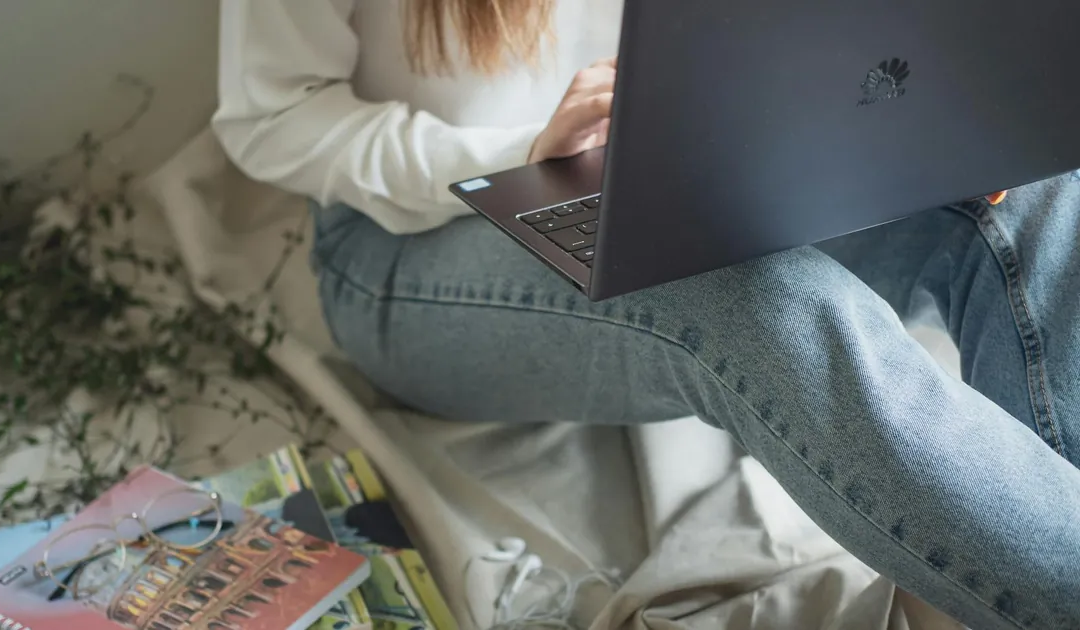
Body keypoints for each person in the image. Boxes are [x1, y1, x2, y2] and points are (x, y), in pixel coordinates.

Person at [211, 2, 1080, 628]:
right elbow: (270, 117)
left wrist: (912, 110)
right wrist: (517, 156)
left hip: (678, 157)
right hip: (418, 234)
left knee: (1031, 194)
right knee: (754, 300)